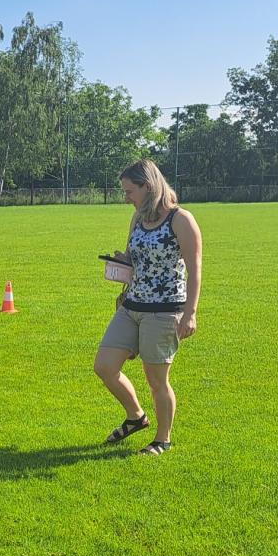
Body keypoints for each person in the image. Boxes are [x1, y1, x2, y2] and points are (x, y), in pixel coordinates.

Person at [93, 159, 202, 455]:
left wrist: (190, 313)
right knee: (104, 366)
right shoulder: (138, 218)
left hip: (164, 311)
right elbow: (133, 258)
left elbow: (195, 270)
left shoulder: (181, 219)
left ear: (148, 186)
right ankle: (136, 417)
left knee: (156, 380)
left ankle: (162, 439)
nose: (126, 198)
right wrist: (120, 263)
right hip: (131, 305)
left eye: (130, 191)